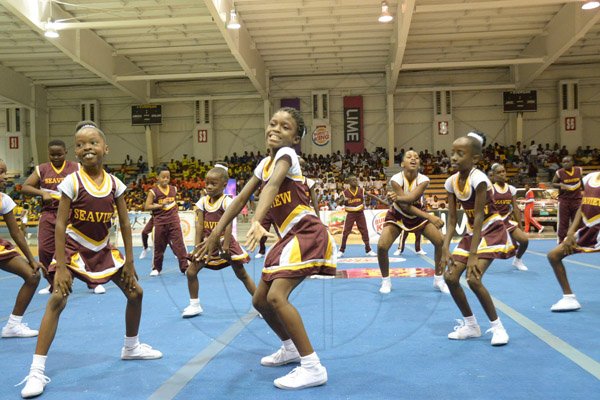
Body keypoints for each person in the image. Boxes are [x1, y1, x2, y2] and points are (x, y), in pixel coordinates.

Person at [195, 107, 335, 390]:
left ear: (295, 138)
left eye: (285, 127)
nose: (276, 129)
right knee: (259, 300)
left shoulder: (288, 156)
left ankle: (313, 367)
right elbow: (238, 199)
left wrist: (257, 220)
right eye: (273, 123)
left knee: (276, 298)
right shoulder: (264, 163)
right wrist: (214, 234)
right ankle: (291, 348)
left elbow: (271, 187)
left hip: (306, 232)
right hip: (289, 237)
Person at [18, 122, 162, 399]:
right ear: (76, 151)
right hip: (74, 247)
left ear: (105, 148)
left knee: (136, 292)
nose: (87, 148)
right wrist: (60, 266)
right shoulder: (71, 181)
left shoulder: (115, 184)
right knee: (57, 299)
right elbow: (60, 225)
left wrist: (130, 262)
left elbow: (123, 221)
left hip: (102, 248)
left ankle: (131, 347)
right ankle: (36, 370)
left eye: (93, 143)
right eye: (81, 144)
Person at [441, 131, 515, 346]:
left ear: (475, 159)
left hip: (491, 229)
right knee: (451, 278)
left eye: (460, 153)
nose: (453, 157)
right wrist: (446, 248)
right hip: (472, 232)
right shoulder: (451, 182)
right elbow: (453, 218)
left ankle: (498, 328)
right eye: (452, 152)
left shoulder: (479, 178)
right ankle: (471, 325)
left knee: (473, 279)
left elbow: (481, 214)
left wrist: (473, 255)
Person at [21, 140, 106, 295]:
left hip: (72, 214)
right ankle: (53, 282)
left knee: (81, 249)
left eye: (59, 154)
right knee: (45, 250)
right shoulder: (42, 169)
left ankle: (93, 282)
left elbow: (91, 182)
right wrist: (42, 193)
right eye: (52, 154)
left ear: (66, 152)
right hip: (49, 213)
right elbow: (25, 186)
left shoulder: (76, 167)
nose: (56, 157)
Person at [182, 164, 256, 318]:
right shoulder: (202, 201)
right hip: (207, 245)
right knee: (191, 272)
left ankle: (261, 304)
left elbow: (228, 224)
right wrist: (196, 247)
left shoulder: (227, 201)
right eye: (207, 183)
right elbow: (199, 225)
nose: (208, 186)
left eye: (213, 184)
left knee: (242, 275)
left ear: (224, 185)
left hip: (224, 243)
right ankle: (194, 304)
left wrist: (227, 245)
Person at [376, 150, 448, 294]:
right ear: (402, 164)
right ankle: (386, 281)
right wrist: (430, 217)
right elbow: (404, 207)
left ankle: (438, 279)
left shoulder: (424, 180)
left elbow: (410, 199)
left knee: (440, 241)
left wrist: (396, 197)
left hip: (418, 215)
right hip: (398, 215)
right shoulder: (396, 179)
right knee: (382, 246)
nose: (413, 159)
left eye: (416, 157)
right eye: (409, 157)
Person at [0, 159, 42, 339]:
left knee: (33, 275)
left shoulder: (5, 200)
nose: (4, 177)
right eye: (0, 172)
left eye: (4, 172)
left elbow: (16, 233)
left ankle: (13, 325)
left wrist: (32, 260)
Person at [546, 170, 599, 311]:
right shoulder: (589, 178)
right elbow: (583, 206)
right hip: (588, 229)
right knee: (553, 255)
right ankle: (569, 298)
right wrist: (570, 233)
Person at [144, 166, 188, 276]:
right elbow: (147, 206)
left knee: (179, 246)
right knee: (158, 247)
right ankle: (156, 268)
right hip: (159, 222)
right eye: (163, 177)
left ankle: (185, 268)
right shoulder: (153, 192)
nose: (165, 179)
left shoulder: (174, 189)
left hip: (174, 222)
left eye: (167, 177)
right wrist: (160, 205)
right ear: (157, 178)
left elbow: (174, 203)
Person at [490, 163, 530, 271]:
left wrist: (521, 227)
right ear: (493, 175)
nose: (502, 174)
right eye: (499, 172)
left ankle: (517, 260)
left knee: (524, 240)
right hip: (493, 223)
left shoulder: (511, 189)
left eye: (503, 171)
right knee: (484, 249)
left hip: (506, 221)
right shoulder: (490, 189)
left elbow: (515, 208)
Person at [337, 175, 376, 258]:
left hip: (360, 213)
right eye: (353, 180)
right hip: (350, 214)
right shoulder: (345, 192)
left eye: (356, 180)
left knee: (364, 231)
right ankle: (341, 250)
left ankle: (368, 249)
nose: (356, 181)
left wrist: (383, 201)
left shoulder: (361, 190)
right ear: (349, 182)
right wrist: (343, 200)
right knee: (346, 232)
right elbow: (338, 202)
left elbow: (371, 196)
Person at [552, 156, 583, 243]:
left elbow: (582, 182)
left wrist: (584, 191)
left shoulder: (579, 170)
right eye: (564, 162)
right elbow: (553, 183)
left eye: (567, 161)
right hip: (564, 200)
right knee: (563, 223)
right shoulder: (559, 172)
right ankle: (561, 241)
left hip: (577, 200)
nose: (565, 163)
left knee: (578, 222)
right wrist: (561, 185)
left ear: (573, 162)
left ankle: (578, 241)